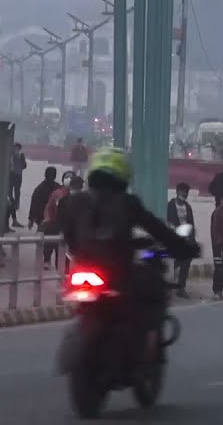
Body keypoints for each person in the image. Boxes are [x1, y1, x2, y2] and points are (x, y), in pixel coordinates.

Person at [61, 148, 199, 371]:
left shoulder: (77, 202)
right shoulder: (127, 203)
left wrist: (80, 252)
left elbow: (68, 235)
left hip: (82, 268)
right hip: (117, 273)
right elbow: (158, 229)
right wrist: (184, 247)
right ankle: (143, 348)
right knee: (152, 290)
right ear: (122, 175)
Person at [166, 182, 196, 298]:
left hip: (186, 240)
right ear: (178, 192)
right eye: (183, 192)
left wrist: (192, 240)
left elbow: (191, 224)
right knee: (173, 263)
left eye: (187, 192)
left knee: (186, 262)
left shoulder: (188, 207)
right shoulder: (170, 206)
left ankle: (181, 287)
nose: (185, 194)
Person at [41, 173, 75, 268]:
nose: (68, 179)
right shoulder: (56, 194)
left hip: (68, 226)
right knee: (50, 242)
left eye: (71, 177)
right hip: (55, 222)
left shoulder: (76, 195)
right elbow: (48, 207)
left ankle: (63, 268)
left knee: (64, 250)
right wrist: (47, 218)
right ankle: (47, 260)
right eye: (66, 177)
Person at [27, 166, 60, 232]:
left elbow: (34, 204)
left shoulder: (39, 189)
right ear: (55, 176)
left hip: (42, 219)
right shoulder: (58, 187)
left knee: (41, 238)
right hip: (54, 219)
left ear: (45, 175)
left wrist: (31, 219)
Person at [8, 143, 28, 228]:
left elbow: (24, 165)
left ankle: (16, 204)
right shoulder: (14, 154)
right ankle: (14, 204)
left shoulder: (15, 154)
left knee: (15, 190)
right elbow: (24, 166)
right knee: (13, 190)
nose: (16, 149)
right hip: (15, 174)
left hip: (15, 174)